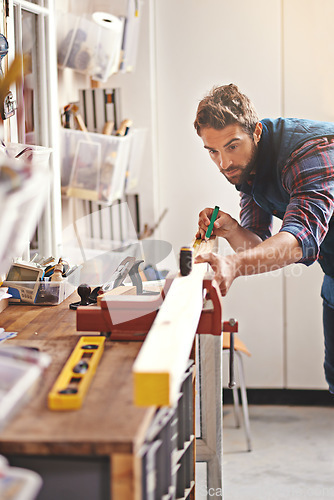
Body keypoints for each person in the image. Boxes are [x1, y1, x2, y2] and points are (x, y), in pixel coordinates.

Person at [193, 83, 334, 393]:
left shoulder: (308, 152)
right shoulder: (247, 168)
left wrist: (233, 265)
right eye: (213, 151)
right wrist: (229, 229)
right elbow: (261, 249)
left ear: (255, 132)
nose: (224, 163)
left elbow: (298, 239)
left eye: (232, 146)